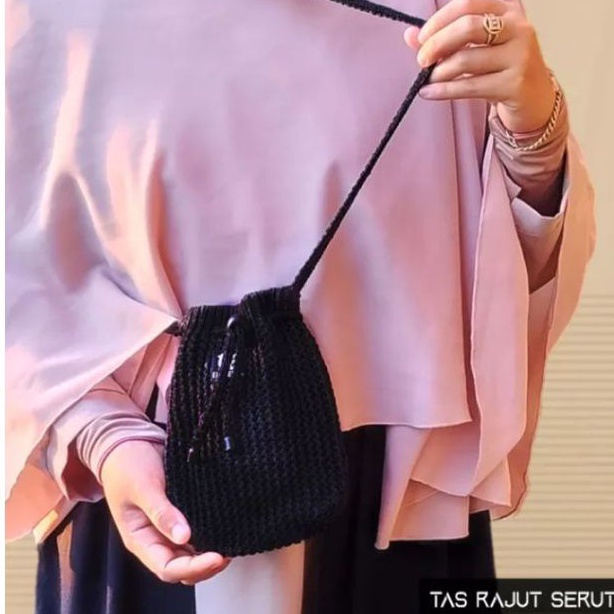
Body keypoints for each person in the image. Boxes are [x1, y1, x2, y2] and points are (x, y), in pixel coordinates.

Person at [5, 0, 596, 612]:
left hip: (387, 499)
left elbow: (500, 273)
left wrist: (534, 122)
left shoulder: (438, 9)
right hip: (148, 488)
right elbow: (18, 279)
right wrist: (101, 434)